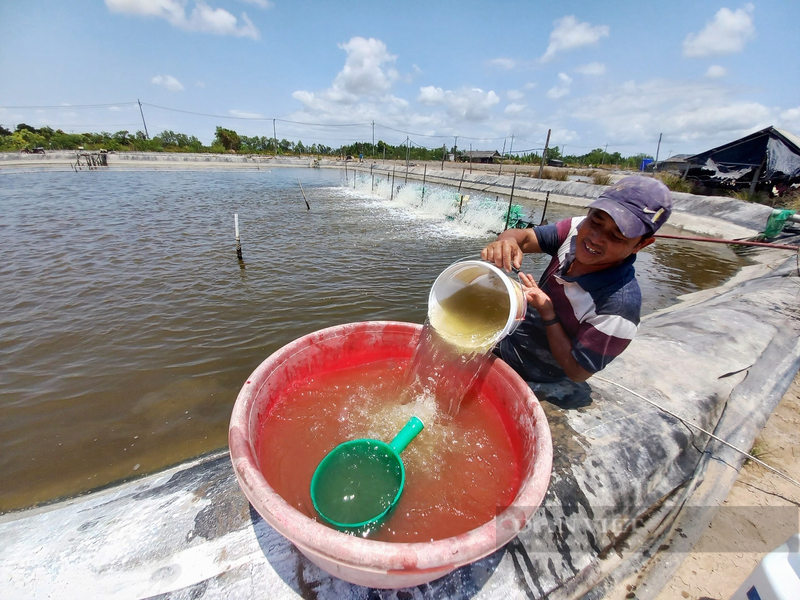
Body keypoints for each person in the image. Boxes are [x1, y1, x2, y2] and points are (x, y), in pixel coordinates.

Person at [481, 176, 673, 384]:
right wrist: (506, 241)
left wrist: (549, 313)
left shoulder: (618, 308)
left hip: (535, 369)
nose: (596, 238)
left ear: (641, 245)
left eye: (617, 236)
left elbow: (577, 372)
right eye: (596, 221)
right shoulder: (576, 228)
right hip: (511, 333)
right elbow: (525, 238)